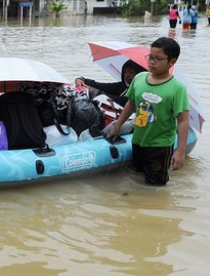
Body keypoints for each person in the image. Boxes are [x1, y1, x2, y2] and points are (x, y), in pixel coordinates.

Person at [107, 37, 190, 185]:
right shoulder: (139, 78)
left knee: (155, 187)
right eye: (150, 57)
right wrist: (118, 125)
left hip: (160, 146)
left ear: (171, 62)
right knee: (137, 178)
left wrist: (180, 152)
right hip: (138, 141)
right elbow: (131, 104)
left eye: (158, 59)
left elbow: (183, 120)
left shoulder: (177, 89)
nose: (152, 62)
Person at [75, 60, 146, 106]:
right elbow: (101, 86)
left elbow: (121, 101)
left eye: (131, 72)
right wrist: (81, 80)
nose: (127, 75)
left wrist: (93, 91)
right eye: (125, 72)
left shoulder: (140, 92)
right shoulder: (122, 86)